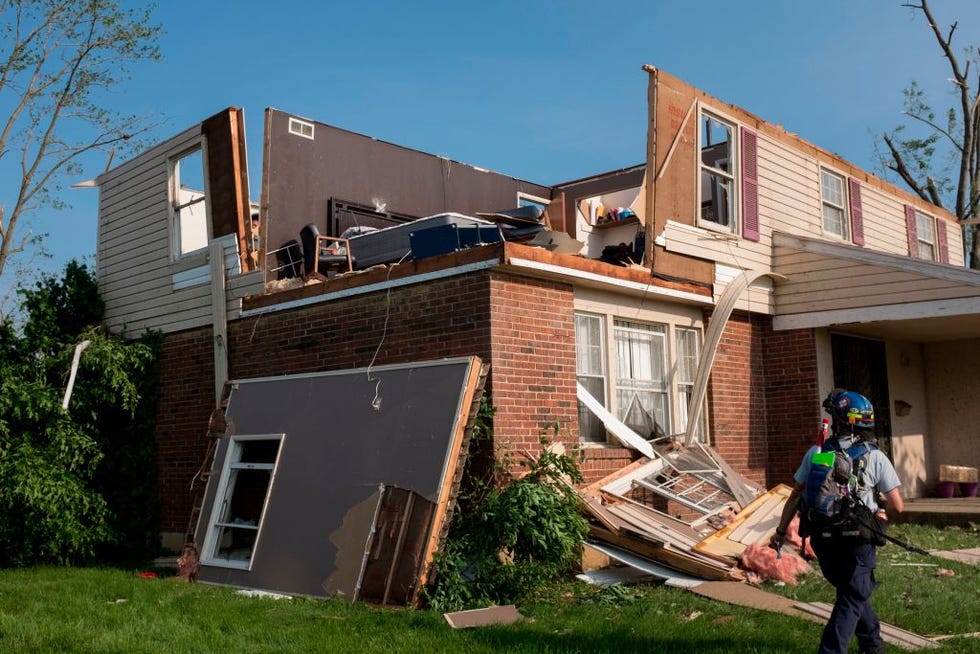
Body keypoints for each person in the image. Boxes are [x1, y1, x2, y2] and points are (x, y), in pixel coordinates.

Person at [771, 390, 904, 654]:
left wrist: (781, 531)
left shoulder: (817, 452)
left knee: (853, 590)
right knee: (853, 595)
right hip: (859, 539)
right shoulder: (875, 456)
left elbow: (796, 494)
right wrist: (880, 509)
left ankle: (873, 645)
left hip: (823, 539)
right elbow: (898, 505)